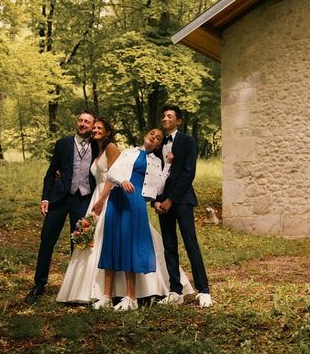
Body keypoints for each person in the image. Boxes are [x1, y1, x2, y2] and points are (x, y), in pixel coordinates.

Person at [93, 128, 195, 311]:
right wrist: (122, 180)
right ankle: (106, 296)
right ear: (145, 135)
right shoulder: (128, 152)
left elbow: (159, 186)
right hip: (117, 199)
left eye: (158, 138)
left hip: (135, 203)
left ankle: (131, 297)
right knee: (111, 244)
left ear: (158, 145)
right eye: (152, 134)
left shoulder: (156, 162)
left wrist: (169, 165)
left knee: (129, 246)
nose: (154, 137)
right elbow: (111, 172)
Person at [25, 110, 97, 304]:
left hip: (83, 200)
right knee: (47, 240)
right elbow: (50, 173)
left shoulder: (98, 146)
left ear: (92, 126)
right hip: (59, 199)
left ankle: (74, 287)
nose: (82, 124)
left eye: (87, 122)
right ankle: (39, 285)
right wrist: (45, 198)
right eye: (80, 120)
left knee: (79, 243)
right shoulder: (63, 144)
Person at [154, 105, 212, 308]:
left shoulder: (187, 141)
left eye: (170, 116)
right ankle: (175, 291)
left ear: (178, 121)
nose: (165, 119)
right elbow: (153, 174)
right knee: (169, 246)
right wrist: (157, 200)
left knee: (190, 243)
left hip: (182, 200)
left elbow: (189, 173)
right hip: (162, 203)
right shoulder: (157, 143)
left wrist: (172, 199)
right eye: (163, 116)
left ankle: (203, 290)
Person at [56, 117, 119, 304]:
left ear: (107, 132)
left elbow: (114, 176)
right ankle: (83, 287)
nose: (95, 130)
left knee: (103, 238)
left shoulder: (111, 147)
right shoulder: (96, 148)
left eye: (100, 128)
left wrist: (101, 200)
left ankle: (104, 290)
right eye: (95, 127)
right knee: (91, 238)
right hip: (95, 196)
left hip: (107, 197)